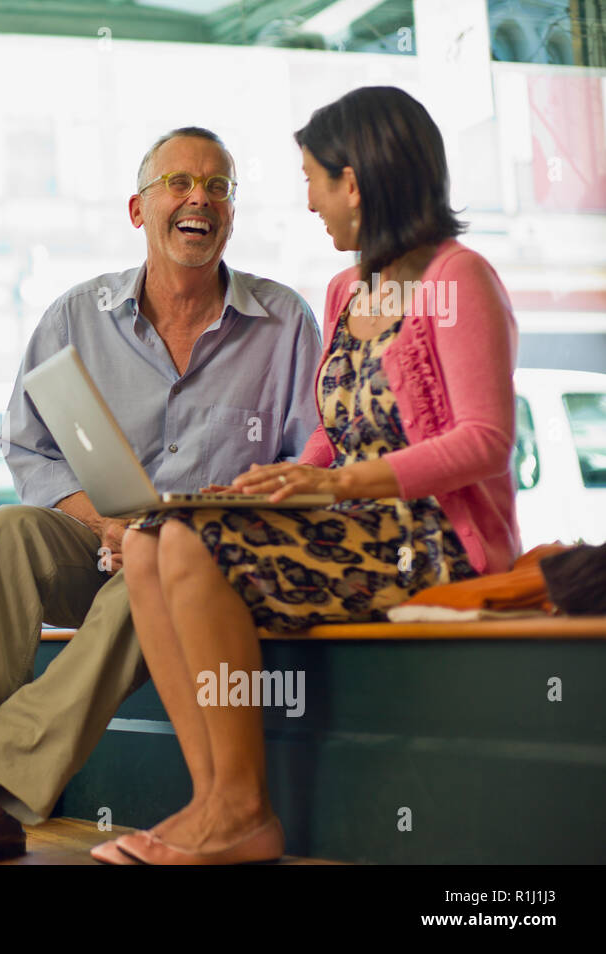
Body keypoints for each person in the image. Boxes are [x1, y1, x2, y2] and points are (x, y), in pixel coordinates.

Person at [0, 126, 324, 864]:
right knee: (5, 531)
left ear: (230, 213)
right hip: (98, 539)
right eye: (179, 182)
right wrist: (102, 524)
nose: (199, 197)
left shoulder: (286, 324)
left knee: (155, 562)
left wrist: (188, 525)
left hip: (208, 566)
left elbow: (313, 462)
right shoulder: (76, 317)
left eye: (218, 187)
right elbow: (29, 448)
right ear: (139, 211)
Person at [92, 86, 520, 864]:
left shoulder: (460, 280)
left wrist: (339, 486)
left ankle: (245, 811)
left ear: (354, 182)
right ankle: (211, 798)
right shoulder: (346, 288)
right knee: (156, 538)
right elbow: (333, 430)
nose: (311, 201)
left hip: (436, 539)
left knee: (189, 546)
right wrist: (280, 478)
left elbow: (486, 441)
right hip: (353, 523)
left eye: (315, 179)